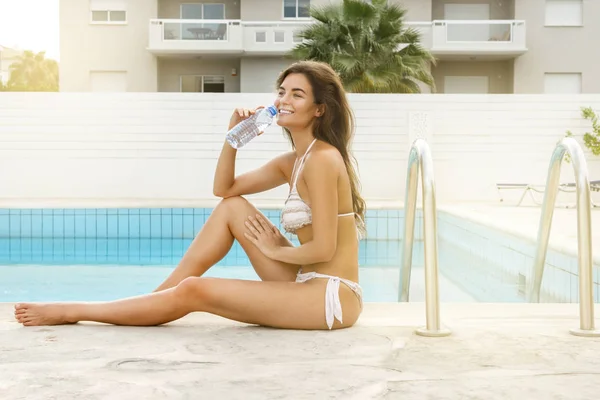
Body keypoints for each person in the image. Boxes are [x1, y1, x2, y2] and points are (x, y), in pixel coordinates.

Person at [14, 61, 367, 330]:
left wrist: (272, 248)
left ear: (320, 109)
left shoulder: (322, 159)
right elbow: (224, 190)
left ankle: (76, 311)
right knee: (232, 208)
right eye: (282, 91)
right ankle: (155, 300)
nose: (283, 100)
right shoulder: (293, 161)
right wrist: (233, 139)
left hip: (331, 296)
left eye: (297, 94)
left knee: (196, 290)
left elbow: (324, 249)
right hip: (305, 281)